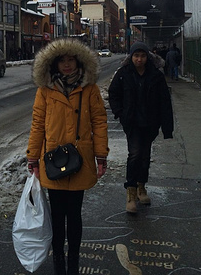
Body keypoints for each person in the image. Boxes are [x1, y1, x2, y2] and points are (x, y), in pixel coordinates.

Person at [26, 38, 109, 275]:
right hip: (52, 160)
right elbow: (38, 124)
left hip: (80, 160)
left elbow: (100, 122)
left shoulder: (89, 89)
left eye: (71, 59)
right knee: (56, 215)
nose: (67, 65)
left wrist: (101, 155)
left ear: (78, 61)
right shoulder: (45, 91)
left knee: (74, 214)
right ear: (54, 64)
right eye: (62, 60)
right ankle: (58, 263)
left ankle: (73, 261)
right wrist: (33, 158)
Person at [108, 41, 173, 213]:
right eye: (136, 56)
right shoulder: (123, 74)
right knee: (135, 154)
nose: (139, 59)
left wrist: (167, 127)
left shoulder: (156, 76)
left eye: (142, 56)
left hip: (151, 123)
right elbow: (113, 94)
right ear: (131, 57)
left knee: (145, 156)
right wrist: (120, 113)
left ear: (147, 57)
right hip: (132, 122)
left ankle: (141, 186)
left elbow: (165, 101)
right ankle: (131, 193)